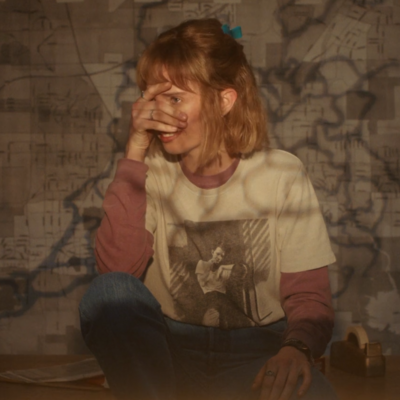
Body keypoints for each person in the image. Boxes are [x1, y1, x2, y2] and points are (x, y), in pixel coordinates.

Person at [79, 19, 338, 400]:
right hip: (170, 356)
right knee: (108, 291)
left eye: (174, 98)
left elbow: (309, 298)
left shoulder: (282, 174)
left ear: (223, 101)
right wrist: (135, 150)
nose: (157, 112)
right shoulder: (151, 172)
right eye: (152, 97)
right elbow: (117, 274)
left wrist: (296, 349)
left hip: (255, 356)